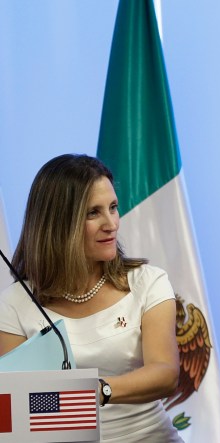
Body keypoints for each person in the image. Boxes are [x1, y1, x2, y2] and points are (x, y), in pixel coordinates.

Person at [0, 154, 183, 442]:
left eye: (113, 207)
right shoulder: (14, 304)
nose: (111, 223)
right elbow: (16, 410)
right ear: (59, 224)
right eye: (93, 213)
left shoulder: (149, 282)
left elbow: (166, 373)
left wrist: (96, 390)